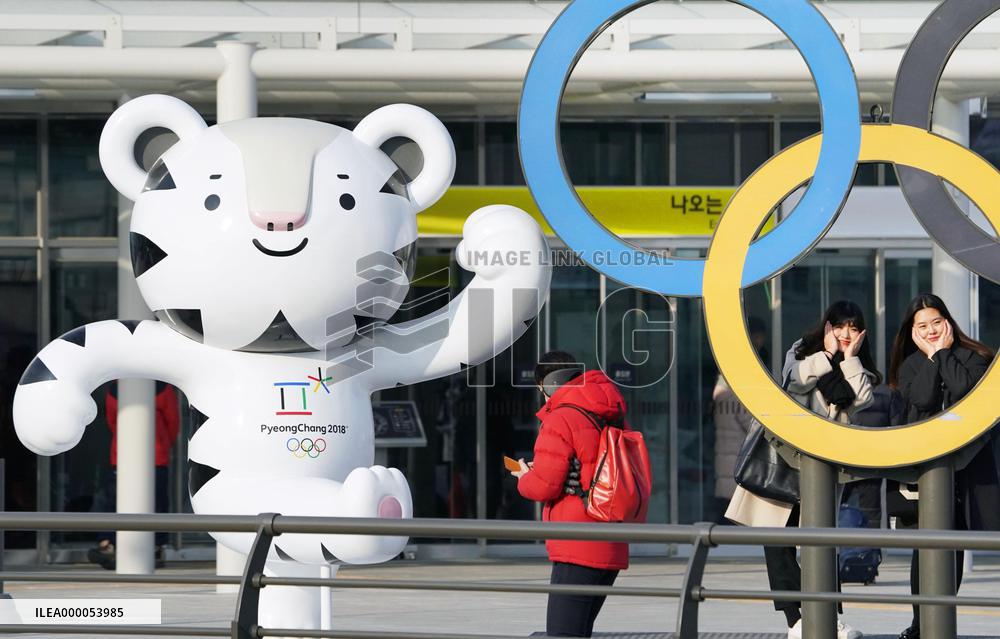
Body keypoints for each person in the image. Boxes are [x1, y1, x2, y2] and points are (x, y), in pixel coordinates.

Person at [888, 293, 999, 639]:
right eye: (922, 325)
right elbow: (922, 399)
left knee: (955, 545)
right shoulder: (908, 366)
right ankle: (921, 625)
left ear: (948, 321)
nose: (931, 329)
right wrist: (934, 359)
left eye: (936, 322)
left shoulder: (977, 356)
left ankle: (941, 622)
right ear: (912, 331)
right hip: (927, 472)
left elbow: (964, 388)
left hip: (968, 470)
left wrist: (941, 354)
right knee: (926, 548)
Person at [766, 300, 879, 639]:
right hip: (787, 460)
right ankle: (795, 620)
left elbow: (861, 399)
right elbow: (794, 382)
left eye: (854, 328)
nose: (846, 333)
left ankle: (828, 618)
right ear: (827, 326)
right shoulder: (802, 351)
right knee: (776, 541)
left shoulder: (859, 364)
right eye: (841, 326)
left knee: (822, 544)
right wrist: (827, 356)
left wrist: (848, 358)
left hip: (825, 467)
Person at [511, 351, 629, 638]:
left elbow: (545, 486)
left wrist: (525, 477)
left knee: (563, 633)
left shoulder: (560, 417)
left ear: (545, 385)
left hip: (577, 543)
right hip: (611, 539)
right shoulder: (608, 411)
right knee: (581, 631)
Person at [88, 381, 180, 570]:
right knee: (153, 501)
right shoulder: (162, 387)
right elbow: (173, 422)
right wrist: (162, 443)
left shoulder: (116, 387)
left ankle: (113, 543)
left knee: (117, 499)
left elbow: (113, 421)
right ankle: (152, 546)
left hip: (127, 455)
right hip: (152, 455)